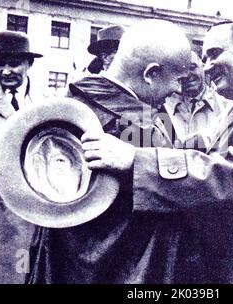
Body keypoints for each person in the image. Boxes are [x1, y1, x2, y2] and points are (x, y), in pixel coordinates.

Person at [75, 21, 233, 283]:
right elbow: (202, 146)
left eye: (215, 54)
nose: (206, 67)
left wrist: (135, 160)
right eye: (204, 58)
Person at [26, 19, 194, 284]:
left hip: (59, 262)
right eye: (177, 80)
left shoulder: (67, 103)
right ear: (150, 74)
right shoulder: (140, 123)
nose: (178, 90)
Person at [0, 30, 43, 283]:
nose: (6, 71)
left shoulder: (43, 104)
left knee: (23, 272)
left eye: (14, 63)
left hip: (31, 215)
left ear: (29, 64)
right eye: (0, 63)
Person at [163, 51, 233, 147]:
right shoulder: (162, 109)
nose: (187, 75)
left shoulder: (228, 108)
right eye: (180, 71)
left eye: (192, 67)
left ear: (203, 66)